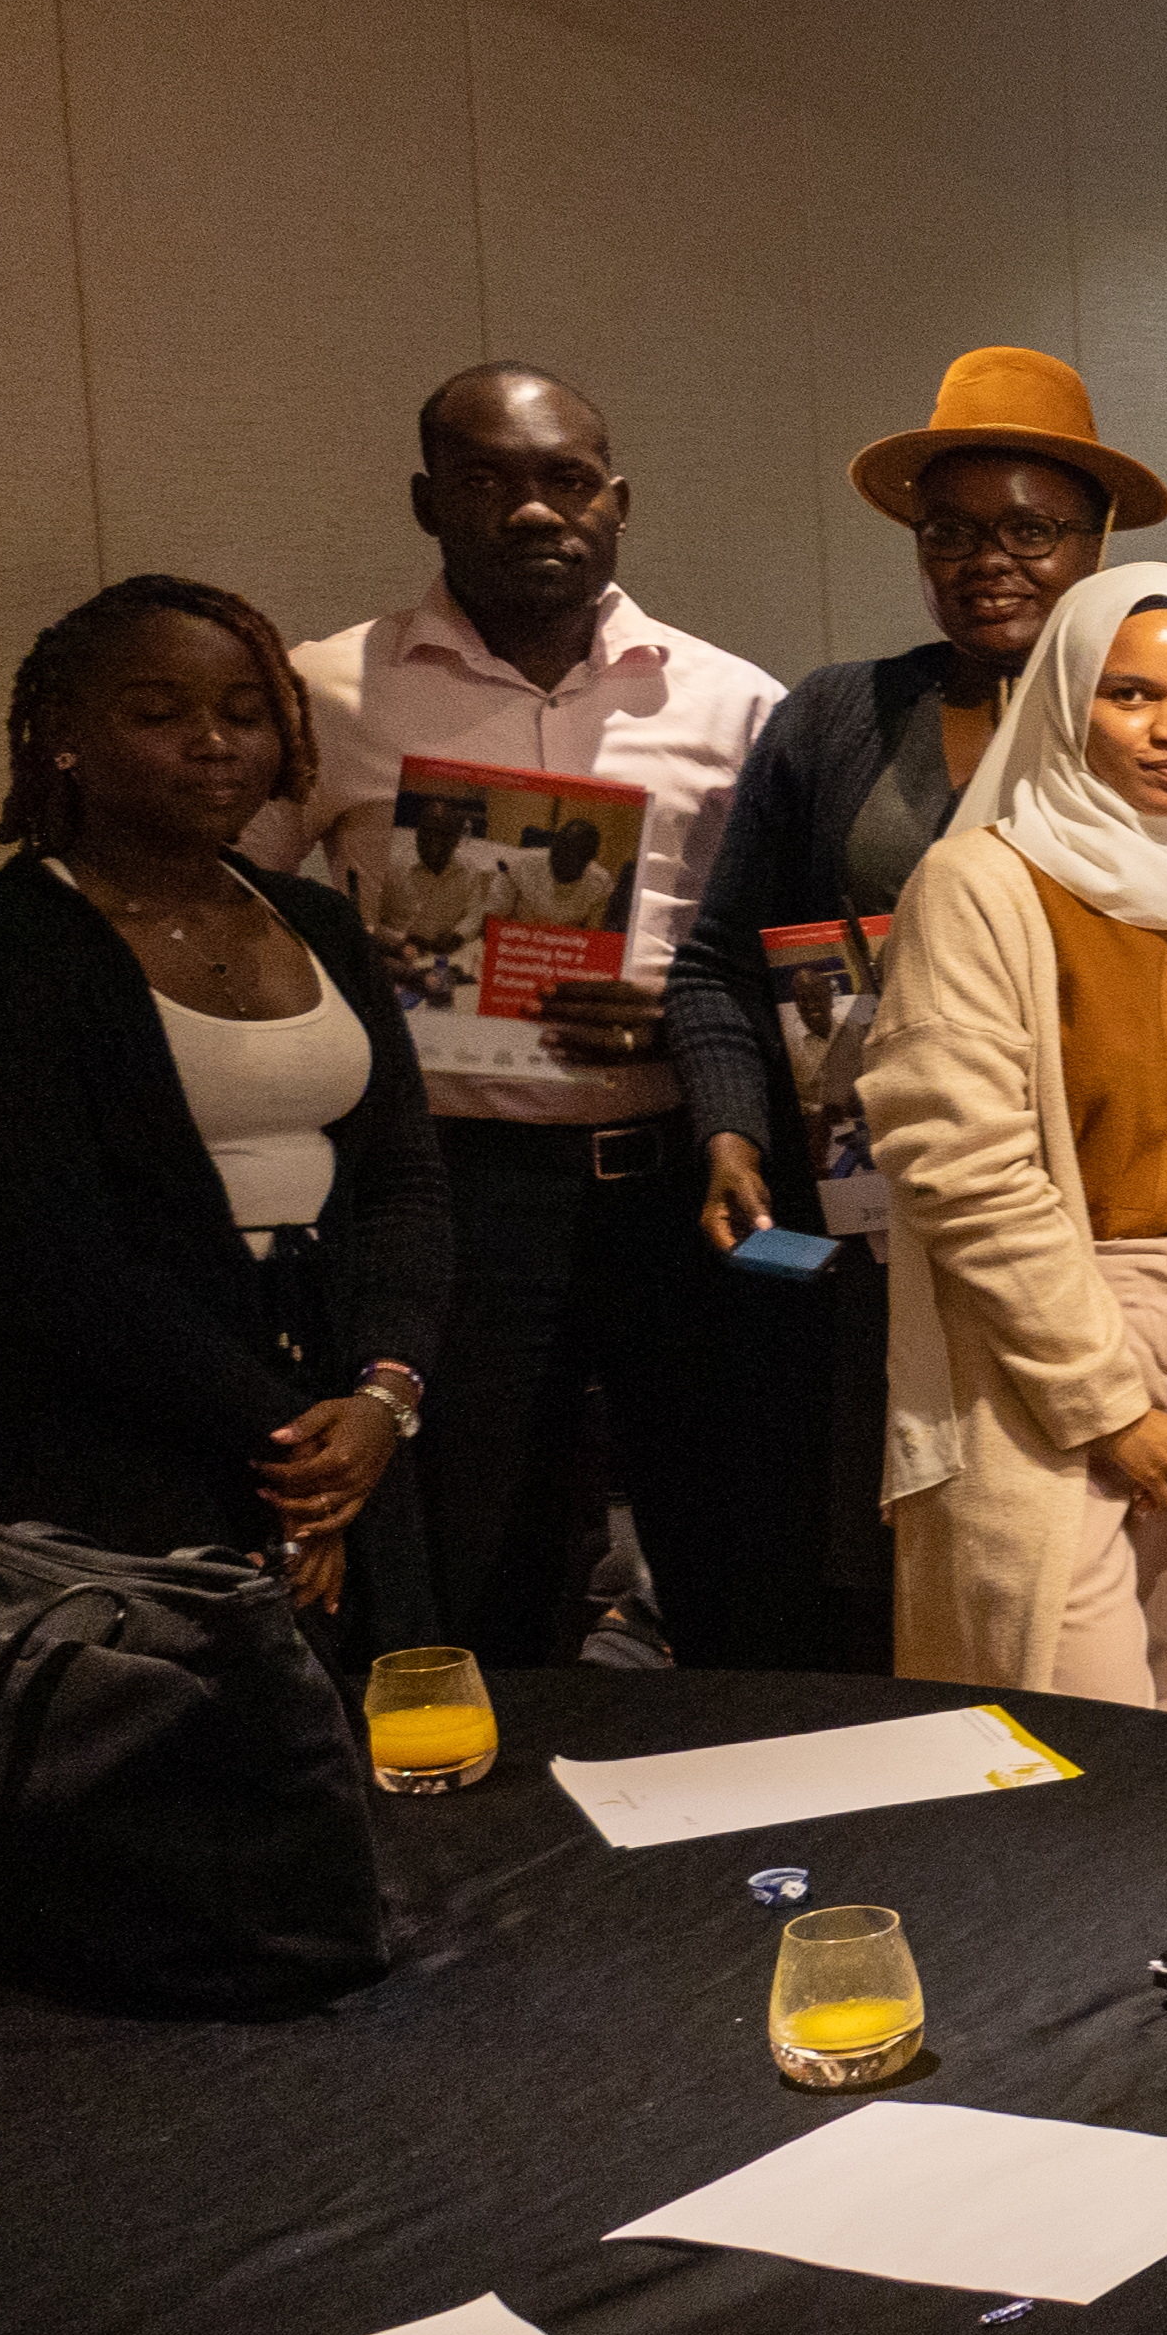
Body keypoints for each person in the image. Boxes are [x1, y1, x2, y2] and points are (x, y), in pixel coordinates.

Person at [665, 349, 1167, 1663]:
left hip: (1160, 1256)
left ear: (1093, 546)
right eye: (954, 531)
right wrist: (728, 1125)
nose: (992, 560)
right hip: (894, 1219)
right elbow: (720, 961)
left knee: (1153, 1651)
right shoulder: (839, 720)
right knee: (945, 1580)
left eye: (1031, 530)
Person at [260, 364, 784, 1669]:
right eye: (489, 480)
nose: (533, 510)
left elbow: (785, 946)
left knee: (734, 1543)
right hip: (454, 1184)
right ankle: (493, 1854)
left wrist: (690, 1016)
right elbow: (234, 918)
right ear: (429, 501)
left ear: (616, 500)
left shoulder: (733, 703)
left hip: (685, 1188)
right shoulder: (327, 692)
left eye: (564, 479)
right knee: (480, 1550)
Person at [854, 566, 1167, 1720]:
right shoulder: (978, 884)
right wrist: (1110, 1409)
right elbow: (961, 1166)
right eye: (1133, 695)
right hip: (1033, 1346)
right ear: (1067, 697)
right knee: (1065, 1723)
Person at [0, 578, 447, 1628]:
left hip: (345, 1417)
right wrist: (294, 1445)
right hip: (113, 1439)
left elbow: (404, 1182)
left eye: (245, 715)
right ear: (63, 734)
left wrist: (383, 1399)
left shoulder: (320, 923)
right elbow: (61, 1258)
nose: (214, 742)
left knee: (373, 1751)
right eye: (159, 714)